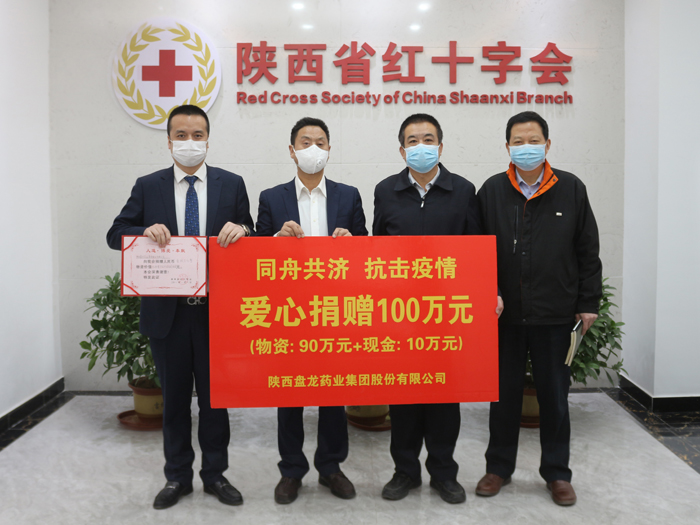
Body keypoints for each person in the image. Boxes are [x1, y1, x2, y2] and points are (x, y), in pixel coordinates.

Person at [107, 105, 254, 510]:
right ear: (169, 141)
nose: (190, 142)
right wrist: (143, 230)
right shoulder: (148, 185)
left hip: (216, 312)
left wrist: (243, 229)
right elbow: (115, 233)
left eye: (197, 135)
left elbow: (253, 231)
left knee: (215, 401)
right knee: (173, 401)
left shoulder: (231, 184)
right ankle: (177, 477)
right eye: (182, 135)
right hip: (167, 315)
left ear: (208, 139)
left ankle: (215, 474)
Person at [475, 111, 602, 507]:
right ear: (507, 147)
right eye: (518, 141)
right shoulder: (492, 191)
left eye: (533, 140)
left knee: (555, 398)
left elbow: (588, 249)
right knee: (503, 396)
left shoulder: (571, 188)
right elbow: (478, 252)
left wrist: (588, 303)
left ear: (547, 144)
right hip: (505, 316)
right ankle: (498, 468)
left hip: (556, 314)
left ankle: (557, 473)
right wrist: (487, 292)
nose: (526, 147)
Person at [374, 113, 501, 504]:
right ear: (402, 150)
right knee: (404, 397)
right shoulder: (385, 190)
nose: (421, 146)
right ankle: (405, 472)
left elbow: (477, 249)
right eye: (412, 141)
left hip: (447, 315)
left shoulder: (463, 190)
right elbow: (376, 250)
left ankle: (444, 473)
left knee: (445, 396)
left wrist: (489, 292)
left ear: (441, 147)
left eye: (428, 139)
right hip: (400, 314)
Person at [256, 117, 368, 504]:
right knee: (289, 392)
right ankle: (291, 470)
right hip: (289, 311)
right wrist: (277, 238)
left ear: (330, 149)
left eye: (320, 142)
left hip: (336, 310)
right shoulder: (272, 198)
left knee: (333, 393)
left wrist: (352, 242)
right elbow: (255, 254)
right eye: (305, 142)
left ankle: (331, 466)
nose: (313, 149)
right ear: (292, 151)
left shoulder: (348, 196)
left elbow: (367, 250)